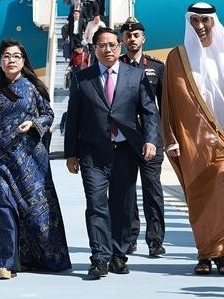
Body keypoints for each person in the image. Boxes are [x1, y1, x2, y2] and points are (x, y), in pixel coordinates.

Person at [161, 2, 224, 276]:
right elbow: (168, 102)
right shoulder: (177, 58)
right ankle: (207, 253)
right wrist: (170, 138)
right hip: (193, 144)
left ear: (214, 21)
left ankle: (220, 250)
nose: (200, 26)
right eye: (194, 20)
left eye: (205, 20)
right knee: (200, 199)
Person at [65, 27, 160, 279]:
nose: (108, 49)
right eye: (102, 45)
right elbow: (73, 117)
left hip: (126, 150)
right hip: (92, 154)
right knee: (96, 205)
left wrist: (151, 140)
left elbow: (149, 112)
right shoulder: (81, 78)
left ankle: (118, 255)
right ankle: (99, 258)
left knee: (123, 206)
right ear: (94, 49)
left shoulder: (136, 75)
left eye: (112, 45)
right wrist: (71, 153)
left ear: (119, 47)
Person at [0, 39, 71, 279]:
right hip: (1, 160)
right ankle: (5, 264)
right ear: (0, 61)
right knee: (4, 210)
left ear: (23, 61)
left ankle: (40, 258)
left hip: (31, 161)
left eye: (16, 56)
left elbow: (48, 114)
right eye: (6, 56)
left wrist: (34, 123)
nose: (11, 60)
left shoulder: (33, 87)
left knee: (37, 213)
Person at [118, 17, 166, 257]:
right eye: (127, 36)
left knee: (152, 190)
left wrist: (166, 137)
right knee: (127, 191)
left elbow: (164, 106)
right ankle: (130, 237)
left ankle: (155, 240)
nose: (132, 39)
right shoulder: (117, 67)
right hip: (125, 138)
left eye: (136, 35)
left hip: (151, 138)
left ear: (143, 39)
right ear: (122, 39)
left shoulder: (156, 67)